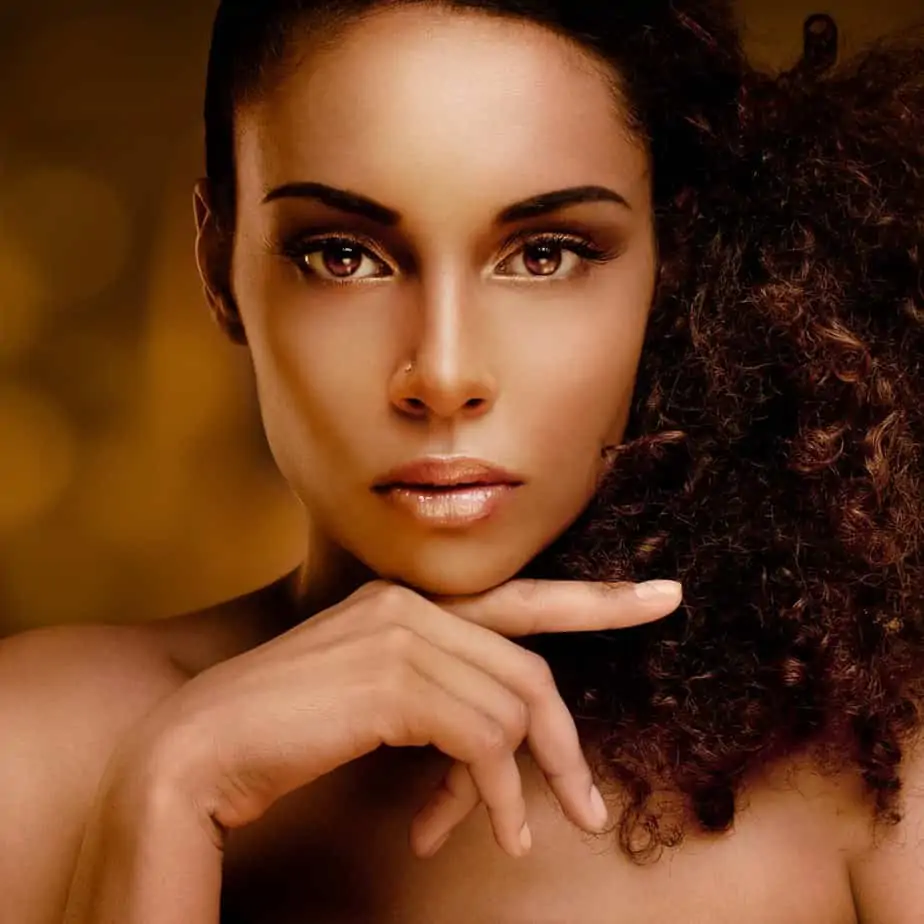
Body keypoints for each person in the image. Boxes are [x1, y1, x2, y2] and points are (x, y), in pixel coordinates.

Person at [1, 0, 922, 920]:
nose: (442, 375)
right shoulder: (35, 757)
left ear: (670, 263)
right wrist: (169, 794)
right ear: (218, 267)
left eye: (546, 255)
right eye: (343, 256)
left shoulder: (870, 788)